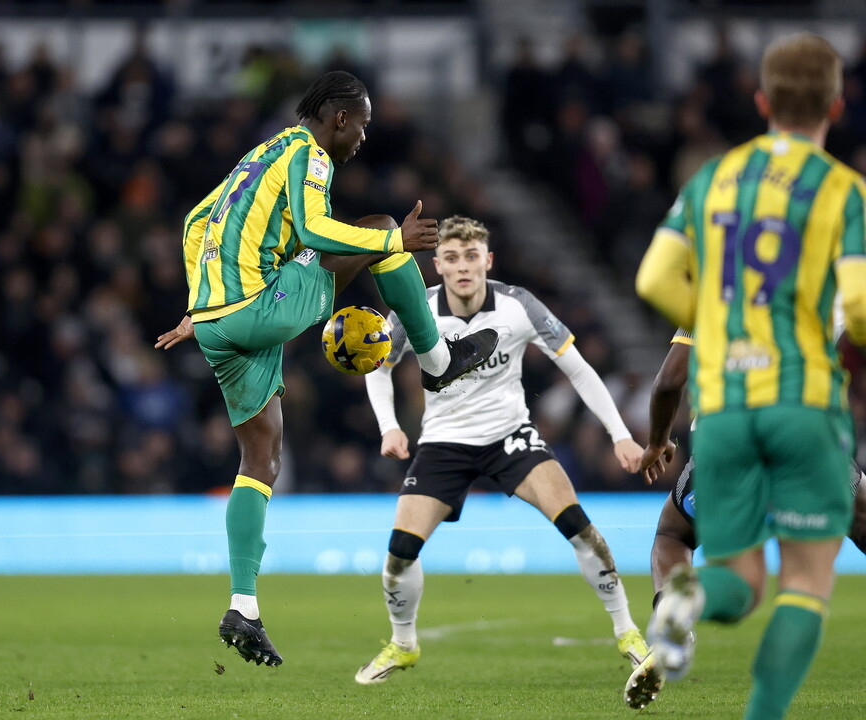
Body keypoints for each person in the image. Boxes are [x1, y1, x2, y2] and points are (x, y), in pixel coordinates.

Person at [155, 72, 499, 667]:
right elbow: (315, 229)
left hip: (216, 322)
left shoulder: (260, 154)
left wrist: (200, 305)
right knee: (380, 230)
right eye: (362, 125)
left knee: (260, 456)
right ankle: (439, 361)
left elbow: (194, 222)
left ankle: (243, 606)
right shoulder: (308, 154)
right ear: (339, 118)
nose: (363, 137)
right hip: (259, 306)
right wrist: (393, 243)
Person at [635, 33, 866, 720]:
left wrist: (722, 323)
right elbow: (858, 307)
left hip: (726, 417)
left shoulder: (712, 180)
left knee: (733, 576)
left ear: (763, 102)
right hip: (803, 407)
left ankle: (684, 601)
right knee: (805, 581)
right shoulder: (842, 190)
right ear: (837, 105)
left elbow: (653, 281)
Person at [354, 215, 650, 685]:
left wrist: (619, 433)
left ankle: (628, 632)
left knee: (579, 527)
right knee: (400, 553)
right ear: (438, 265)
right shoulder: (416, 306)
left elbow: (577, 368)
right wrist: (389, 427)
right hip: (443, 442)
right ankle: (403, 643)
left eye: (471, 256)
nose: (463, 266)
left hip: (510, 437)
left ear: (487, 260)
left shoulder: (518, 305)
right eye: (452, 258)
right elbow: (378, 366)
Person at [623, 330, 866, 710]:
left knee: (675, 536)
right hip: (801, 430)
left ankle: (676, 604)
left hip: (726, 440)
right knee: (810, 574)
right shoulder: (810, 292)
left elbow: (669, 381)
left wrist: (656, 442)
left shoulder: (705, 300)